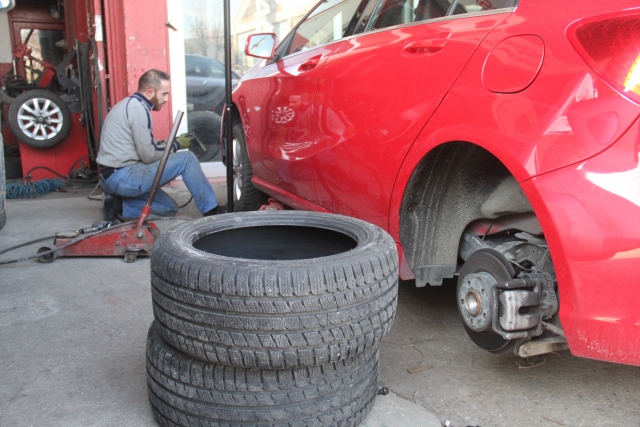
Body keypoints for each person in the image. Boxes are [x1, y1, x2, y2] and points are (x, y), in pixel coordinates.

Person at [97, 69, 224, 220]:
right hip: (123, 177)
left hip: (112, 177)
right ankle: (211, 210)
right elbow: (148, 155)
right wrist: (176, 145)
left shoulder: (129, 104)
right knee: (187, 159)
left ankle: (117, 205)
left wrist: (171, 143)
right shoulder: (139, 110)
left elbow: (140, 146)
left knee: (169, 208)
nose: (167, 99)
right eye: (164, 94)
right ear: (150, 92)